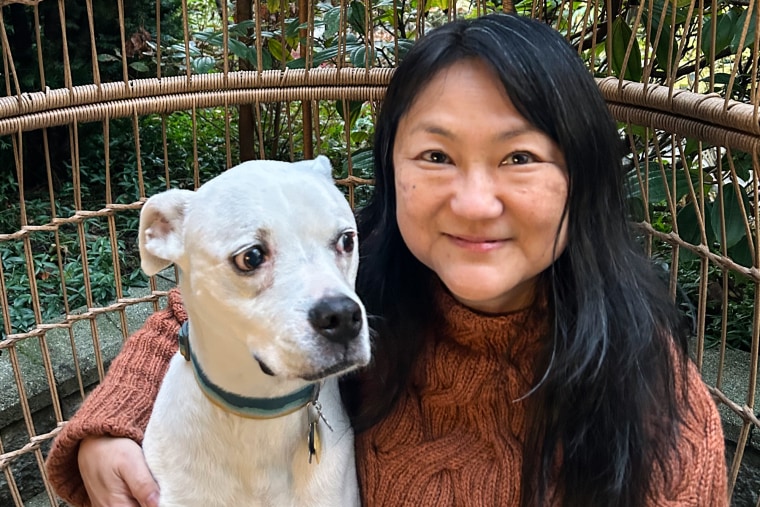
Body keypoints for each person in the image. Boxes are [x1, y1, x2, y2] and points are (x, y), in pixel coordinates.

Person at [45, 12, 727, 507]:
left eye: (518, 157)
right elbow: (196, 305)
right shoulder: (365, 276)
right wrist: (112, 420)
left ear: (580, 175)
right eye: (436, 155)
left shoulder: (659, 405)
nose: (473, 200)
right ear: (391, 169)